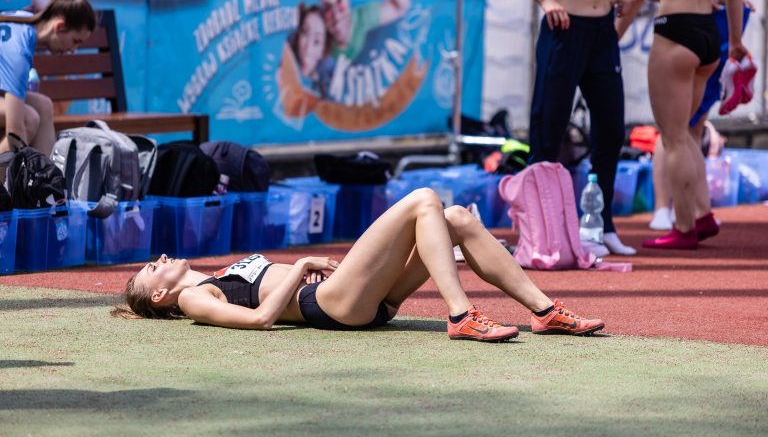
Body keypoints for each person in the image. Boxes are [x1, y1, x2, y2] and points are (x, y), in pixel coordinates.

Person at [112, 188, 605, 342]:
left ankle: (544, 311)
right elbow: (260, 320)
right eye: (153, 269)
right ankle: (460, 316)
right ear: (159, 295)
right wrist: (301, 264)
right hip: (330, 305)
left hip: (356, 297)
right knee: (422, 199)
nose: (160, 259)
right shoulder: (194, 298)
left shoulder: (215, 275)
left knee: (454, 217)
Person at [495, 0, 636, 256]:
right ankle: (538, 231)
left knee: (611, 130)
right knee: (548, 132)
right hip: (564, 29)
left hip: (602, 31)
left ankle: (601, 226)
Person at [616, 0, 749, 249]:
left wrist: (613, 36)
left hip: (675, 32)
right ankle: (703, 215)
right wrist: (735, 41)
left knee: (673, 136)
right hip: (708, 36)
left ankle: (684, 226)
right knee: (686, 132)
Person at [0, 0, 96, 156]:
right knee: (27, 119)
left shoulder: (27, 22)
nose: (73, 50)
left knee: (43, 106)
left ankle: (46, 173)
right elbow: (14, 130)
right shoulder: (18, 50)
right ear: (59, 27)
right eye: (75, 41)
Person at [288, 3, 334, 98]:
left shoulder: (328, 78)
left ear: (323, 49)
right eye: (304, 32)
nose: (308, 49)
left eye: (316, 41)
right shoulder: (284, 54)